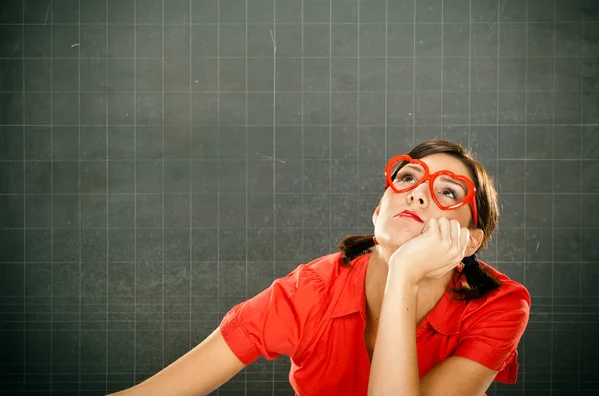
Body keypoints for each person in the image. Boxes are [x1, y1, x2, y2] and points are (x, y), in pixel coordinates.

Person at [108, 139, 531, 396]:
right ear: (378, 209)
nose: (418, 195)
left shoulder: (502, 305)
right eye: (407, 179)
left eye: (447, 192)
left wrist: (404, 273)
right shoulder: (309, 290)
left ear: (471, 241)